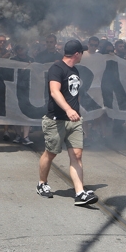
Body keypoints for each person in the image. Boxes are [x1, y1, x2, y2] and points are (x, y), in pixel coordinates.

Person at [37, 40, 97, 206]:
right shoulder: (56, 68)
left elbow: (75, 93)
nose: (83, 55)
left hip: (74, 121)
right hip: (56, 120)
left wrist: (77, 110)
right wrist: (68, 109)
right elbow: (55, 92)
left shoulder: (75, 70)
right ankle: (42, 183)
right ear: (77, 53)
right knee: (51, 153)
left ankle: (80, 193)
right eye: (82, 52)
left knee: (77, 155)